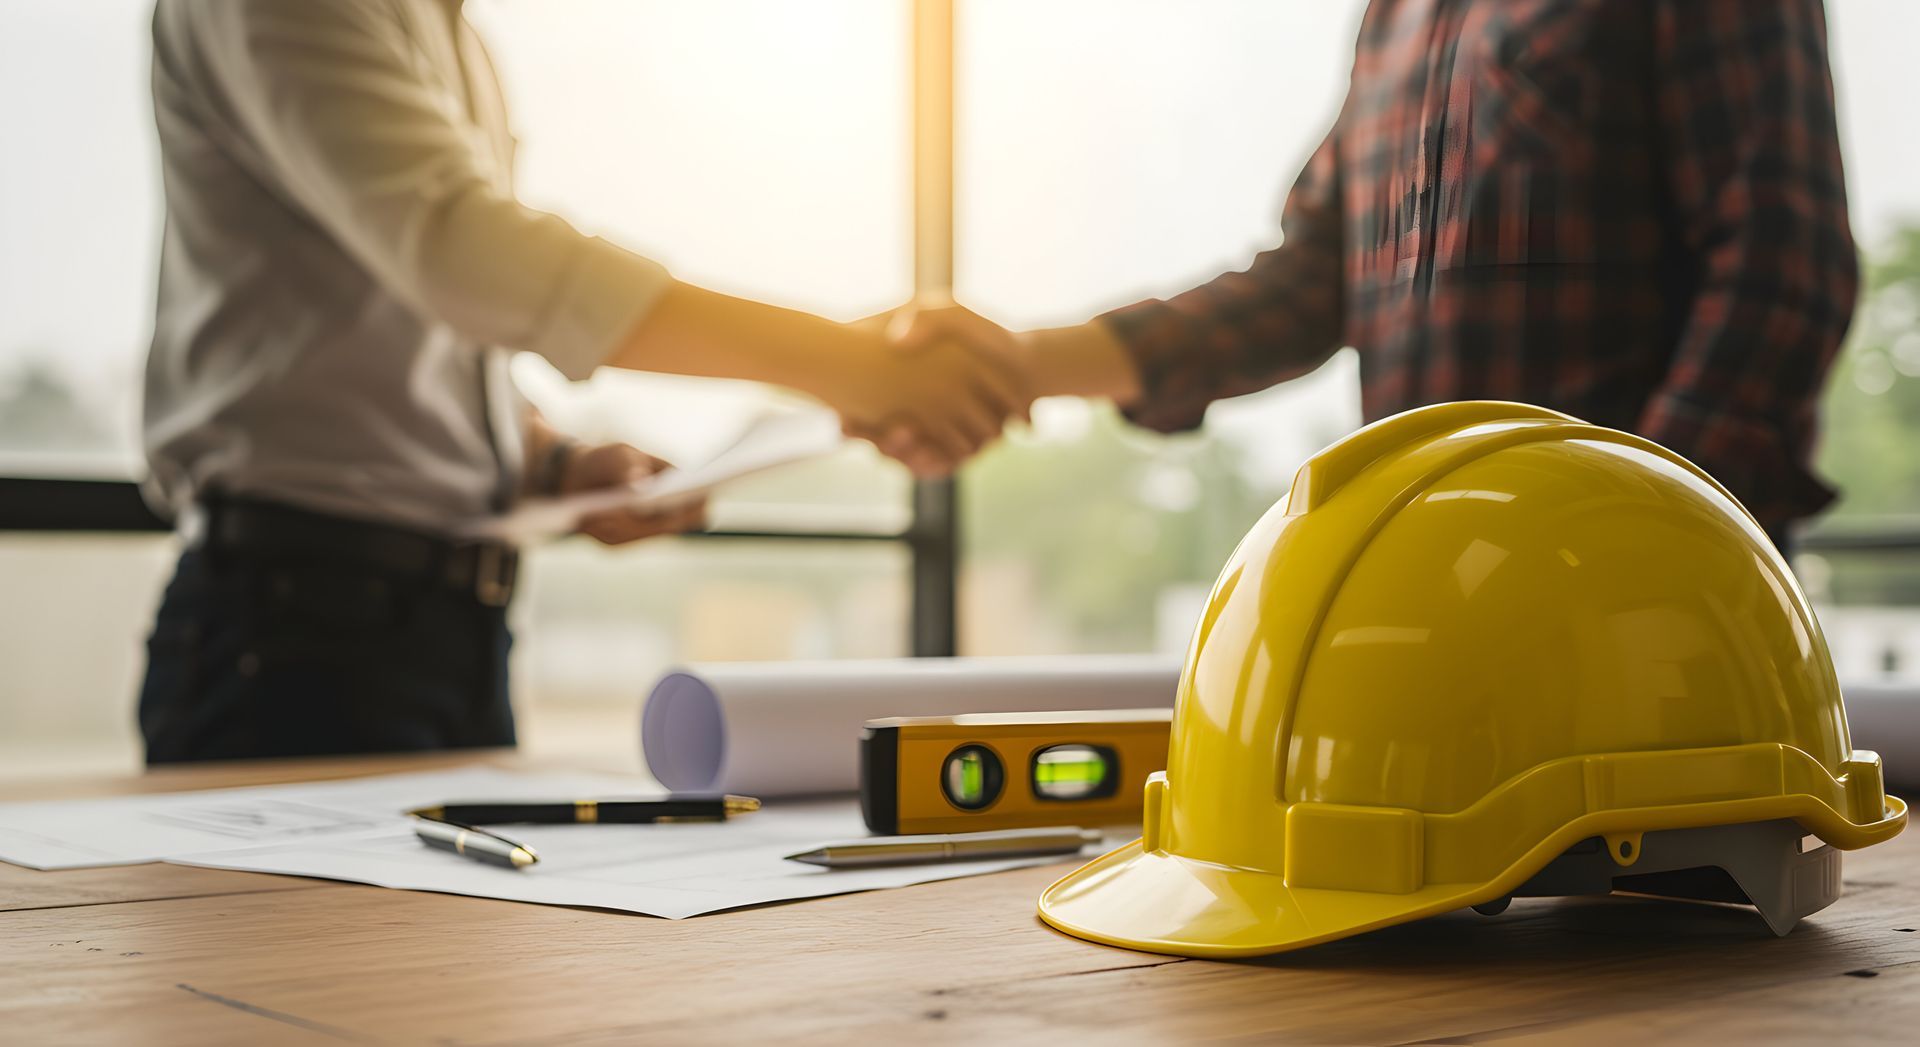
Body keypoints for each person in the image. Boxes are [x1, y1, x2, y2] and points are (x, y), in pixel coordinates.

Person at [138, 0, 1023, 763]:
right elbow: (465, 252)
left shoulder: (452, 33)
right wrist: (851, 364)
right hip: (288, 629)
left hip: (447, 625)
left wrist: (556, 461)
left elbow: (411, 332)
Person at [893, 0, 1856, 549]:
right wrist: (1019, 361)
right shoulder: (1397, 20)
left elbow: (1782, 265)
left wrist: (1630, 533)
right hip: (1432, 581)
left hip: (1647, 601)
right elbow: (1304, 286)